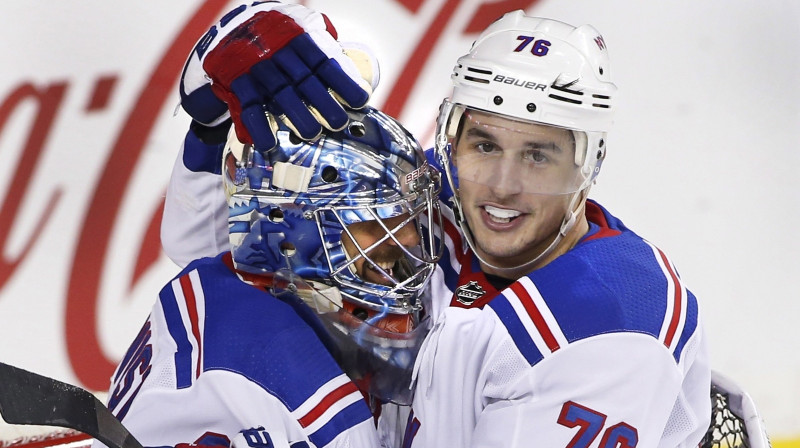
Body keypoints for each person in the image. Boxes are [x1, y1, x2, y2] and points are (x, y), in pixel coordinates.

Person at [164, 3, 712, 447]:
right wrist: (213, 127)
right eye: (484, 144)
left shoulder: (610, 327)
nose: (501, 185)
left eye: (538, 156)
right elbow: (216, 258)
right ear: (450, 139)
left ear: (587, 167)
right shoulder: (422, 192)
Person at [93, 96, 444, 448]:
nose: (411, 235)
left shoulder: (207, 281)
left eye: (408, 215)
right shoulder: (317, 412)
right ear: (293, 227)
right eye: (376, 219)